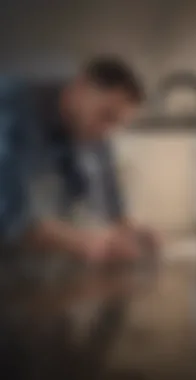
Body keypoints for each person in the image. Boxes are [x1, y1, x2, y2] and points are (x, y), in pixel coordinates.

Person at [0, 56, 157, 263]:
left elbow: (110, 199)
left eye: (117, 124)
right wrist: (78, 241)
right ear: (80, 87)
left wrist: (130, 230)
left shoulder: (91, 130)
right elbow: (8, 214)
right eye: (106, 115)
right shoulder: (11, 107)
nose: (106, 133)